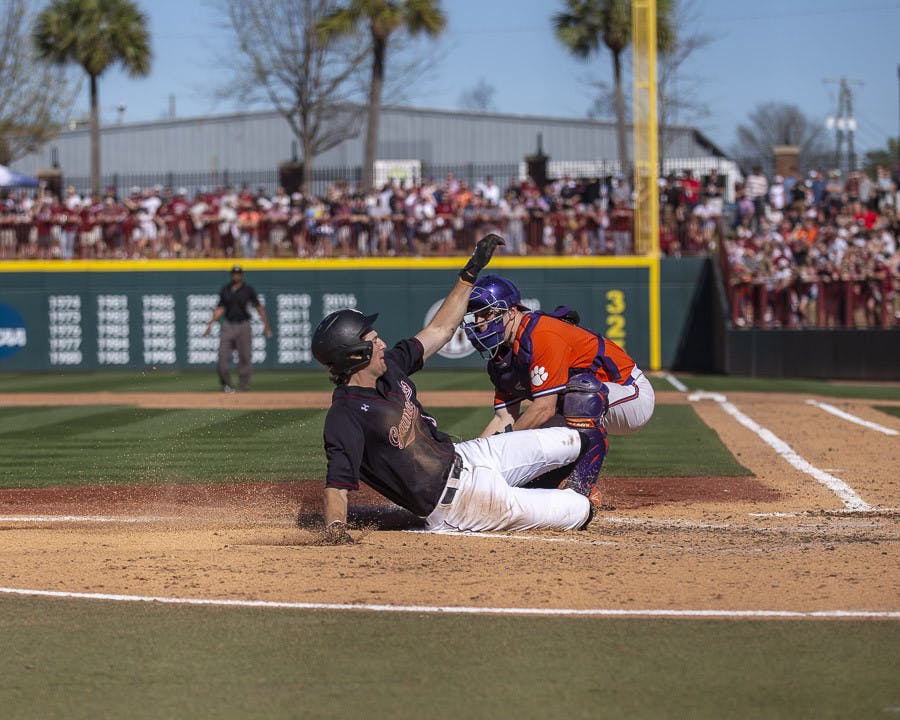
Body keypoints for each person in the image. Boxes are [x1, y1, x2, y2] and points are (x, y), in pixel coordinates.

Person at [310, 233, 607, 542]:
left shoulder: (390, 367)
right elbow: (337, 485)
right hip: (462, 504)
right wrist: (335, 531)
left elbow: (441, 329)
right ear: (355, 355)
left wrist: (470, 272)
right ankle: (541, 498)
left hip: (468, 457)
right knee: (579, 509)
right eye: (373, 340)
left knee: (574, 439)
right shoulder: (346, 415)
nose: (382, 343)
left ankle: (532, 489)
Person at [462, 274, 656, 503]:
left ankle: (582, 486)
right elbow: (504, 418)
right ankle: (547, 487)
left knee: (579, 396)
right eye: (476, 315)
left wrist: (503, 447)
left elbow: (544, 409)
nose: (479, 322)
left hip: (631, 394)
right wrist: (471, 462)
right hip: (583, 403)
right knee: (535, 436)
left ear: (511, 312)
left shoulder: (540, 334)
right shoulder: (501, 359)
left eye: (487, 313)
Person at [204, 265, 273, 392]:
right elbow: (220, 308)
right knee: (222, 356)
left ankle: (243, 386)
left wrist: (266, 325)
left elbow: (259, 307)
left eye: (238, 273)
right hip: (228, 325)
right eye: (234, 273)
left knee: (245, 357)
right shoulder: (226, 289)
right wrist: (210, 324)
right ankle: (227, 385)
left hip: (243, 324)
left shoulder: (248, 290)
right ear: (231, 275)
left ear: (241, 275)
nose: (236, 275)